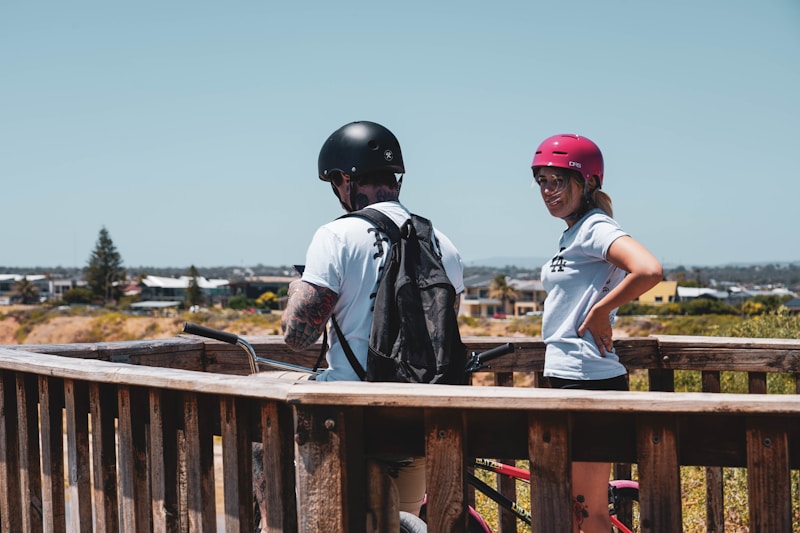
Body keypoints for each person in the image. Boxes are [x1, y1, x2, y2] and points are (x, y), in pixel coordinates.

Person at [280, 120, 465, 520]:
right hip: (417, 418)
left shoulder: (336, 236)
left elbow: (297, 335)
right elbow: (445, 326)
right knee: (405, 521)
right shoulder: (441, 243)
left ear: (346, 180)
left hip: (347, 419)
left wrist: (297, 288)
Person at [531, 133, 662, 533]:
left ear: (587, 182)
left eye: (558, 180)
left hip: (587, 378)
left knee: (589, 512)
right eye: (542, 182)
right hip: (570, 375)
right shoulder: (573, 232)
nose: (548, 191)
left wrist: (601, 310)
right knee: (575, 508)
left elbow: (649, 269)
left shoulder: (594, 227)